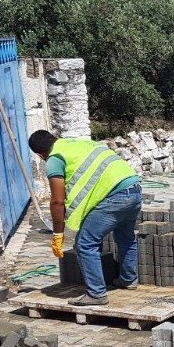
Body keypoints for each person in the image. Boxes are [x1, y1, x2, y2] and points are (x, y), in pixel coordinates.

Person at [27, 130, 142, 306]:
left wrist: (58, 234)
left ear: (40, 155)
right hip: (133, 189)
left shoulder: (54, 158)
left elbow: (57, 201)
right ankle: (128, 280)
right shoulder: (77, 144)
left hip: (114, 198)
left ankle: (97, 294)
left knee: (85, 244)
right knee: (125, 237)